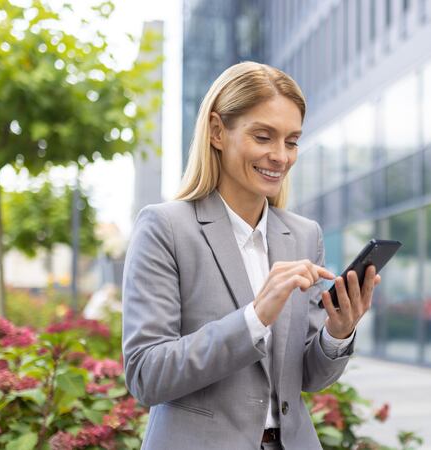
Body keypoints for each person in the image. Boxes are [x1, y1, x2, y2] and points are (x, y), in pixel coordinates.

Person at [122, 61, 380, 450]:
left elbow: (307, 377)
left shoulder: (304, 235)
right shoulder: (166, 227)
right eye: (263, 137)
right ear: (216, 131)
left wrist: (337, 332)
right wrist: (254, 318)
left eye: (291, 141)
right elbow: (146, 375)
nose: (280, 156)